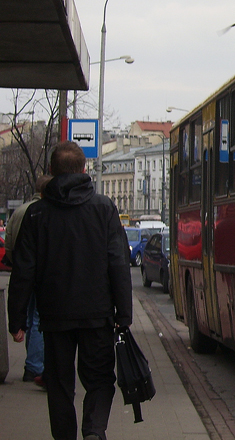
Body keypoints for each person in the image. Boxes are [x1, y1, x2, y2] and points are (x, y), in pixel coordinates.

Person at [7, 141, 133, 440]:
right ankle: (93, 430)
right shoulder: (103, 209)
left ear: (50, 171)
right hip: (97, 314)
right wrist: (124, 314)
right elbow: (118, 262)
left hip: (55, 316)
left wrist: (17, 319)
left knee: (59, 384)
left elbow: (23, 271)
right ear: (84, 169)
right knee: (100, 379)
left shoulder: (37, 215)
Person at [2, 173, 52, 385]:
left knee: (31, 319)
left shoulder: (19, 211)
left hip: (23, 272)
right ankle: (34, 365)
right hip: (41, 275)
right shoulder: (46, 212)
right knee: (38, 318)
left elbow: (10, 244)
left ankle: (32, 362)